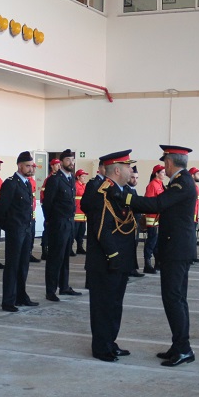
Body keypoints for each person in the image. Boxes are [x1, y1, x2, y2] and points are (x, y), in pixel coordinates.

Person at [119, 144, 198, 367]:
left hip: (177, 250)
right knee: (176, 298)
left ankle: (183, 348)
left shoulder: (182, 182)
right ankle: (179, 345)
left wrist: (125, 197)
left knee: (174, 298)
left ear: (170, 162)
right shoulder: (179, 181)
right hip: (176, 248)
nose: (164, 166)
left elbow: (157, 204)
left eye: (165, 162)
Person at [82, 150, 138, 362]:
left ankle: (110, 342)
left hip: (120, 259)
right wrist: (113, 254)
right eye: (128, 167)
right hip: (106, 259)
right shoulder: (102, 192)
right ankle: (101, 347)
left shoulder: (120, 191)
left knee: (115, 304)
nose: (131, 170)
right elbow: (101, 228)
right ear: (117, 169)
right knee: (103, 306)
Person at [0, 151, 39, 312]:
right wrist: (10, 227)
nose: (30, 168)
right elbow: (0, 210)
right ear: (20, 166)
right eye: (27, 166)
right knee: (12, 265)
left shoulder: (27, 183)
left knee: (23, 264)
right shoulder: (11, 183)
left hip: (26, 229)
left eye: (31, 166)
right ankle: (8, 300)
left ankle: (21, 296)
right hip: (16, 230)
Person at [41, 149, 81, 301]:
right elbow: (48, 203)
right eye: (68, 160)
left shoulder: (70, 178)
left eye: (73, 160)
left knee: (65, 256)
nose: (71, 163)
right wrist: (51, 221)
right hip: (58, 223)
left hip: (69, 222)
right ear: (62, 161)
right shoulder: (55, 179)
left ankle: (64, 286)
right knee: (55, 257)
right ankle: (50, 290)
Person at [143, 165, 166, 274]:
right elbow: (149, 202)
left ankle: (158, 263)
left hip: (159, 217)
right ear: (156, 174)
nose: (164, 174)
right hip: (153, 217)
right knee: (151, 241)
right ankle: (147, 264)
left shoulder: (160, 184)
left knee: (157, 242)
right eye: (162, 172)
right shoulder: (152, 185)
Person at [39, 157, 61, 261]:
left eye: (59, 164)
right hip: (50, 209)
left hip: (57, 210)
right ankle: (45, 249)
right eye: (56, 164)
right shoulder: (49, 179)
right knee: (47, 229)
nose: (59, 166)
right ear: (52, 166)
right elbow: (44, 196)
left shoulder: (60, 178)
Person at [189, 166, 199, 264]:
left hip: (194, 216)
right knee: (190, 237)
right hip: (190, 216)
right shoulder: (190, 186)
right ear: (192, 175)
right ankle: (189, 257)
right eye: (197, 174)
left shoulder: (195, 186)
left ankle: (193, 256)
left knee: (193, 237)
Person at [73, 169, 88, 255]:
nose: (84, 178)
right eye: (82, 176)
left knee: (81, 232)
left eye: (85, 176)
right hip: (76, 213)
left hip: (83, 214)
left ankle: (80, 247)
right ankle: (70, 248)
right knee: (74, 232)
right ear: (78, 177)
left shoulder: (84, 186)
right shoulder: (75, 185)